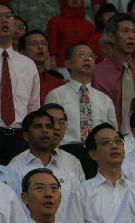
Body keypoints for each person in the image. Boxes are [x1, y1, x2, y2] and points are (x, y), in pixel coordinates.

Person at [45, 43, 118, 175]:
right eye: (81, 55)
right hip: (65, 154)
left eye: (91, 56)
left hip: (98, 156)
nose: (87, 59)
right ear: (68, 63)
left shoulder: (105, 100)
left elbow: (113, 132)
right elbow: (47, 130)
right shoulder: (56, 95)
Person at [8, 111, 81, 222]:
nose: (45, 130)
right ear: (26, 135)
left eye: (49, 127)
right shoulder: (12, 171)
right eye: (38, 126)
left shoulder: (68, 173)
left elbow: (78, 211)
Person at [93, 14, 135, 131]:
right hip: (110, 135)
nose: (131, 36)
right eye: (125, 31)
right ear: (111, 37)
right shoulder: (96, 73)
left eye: (134, 32)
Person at [0, 5, 40, 165]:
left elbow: (33, 109)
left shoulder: (28, 64)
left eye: (8, 16)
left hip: (20, 138)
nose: (3, 20)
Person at [18, 30, 63, 104]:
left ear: (48, 52)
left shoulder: (59, 84)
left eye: (44, 44)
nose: (40, 47)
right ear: (22, 52)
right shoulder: (14, 80)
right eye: (34, 44)